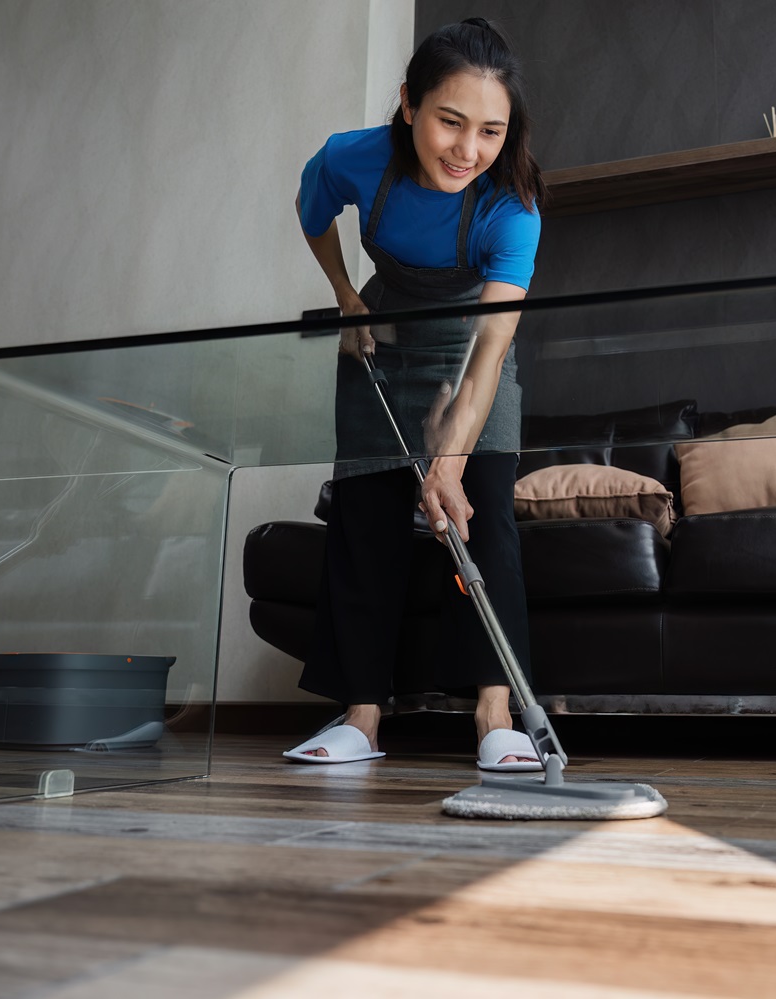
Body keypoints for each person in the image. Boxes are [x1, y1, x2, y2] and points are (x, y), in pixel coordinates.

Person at [285, 18, 545, 769]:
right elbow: (312, 213)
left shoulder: (512, 206)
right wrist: (343, 294)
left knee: (483, 518)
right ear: (408, 104)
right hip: (384, 336)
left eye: (490, 131)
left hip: (471, 349)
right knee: (363, 516)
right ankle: (360, 720)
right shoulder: (353, 158)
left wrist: (451, 463)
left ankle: (495, 716)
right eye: (450, 122)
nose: (468, 151)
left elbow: (491, 348)